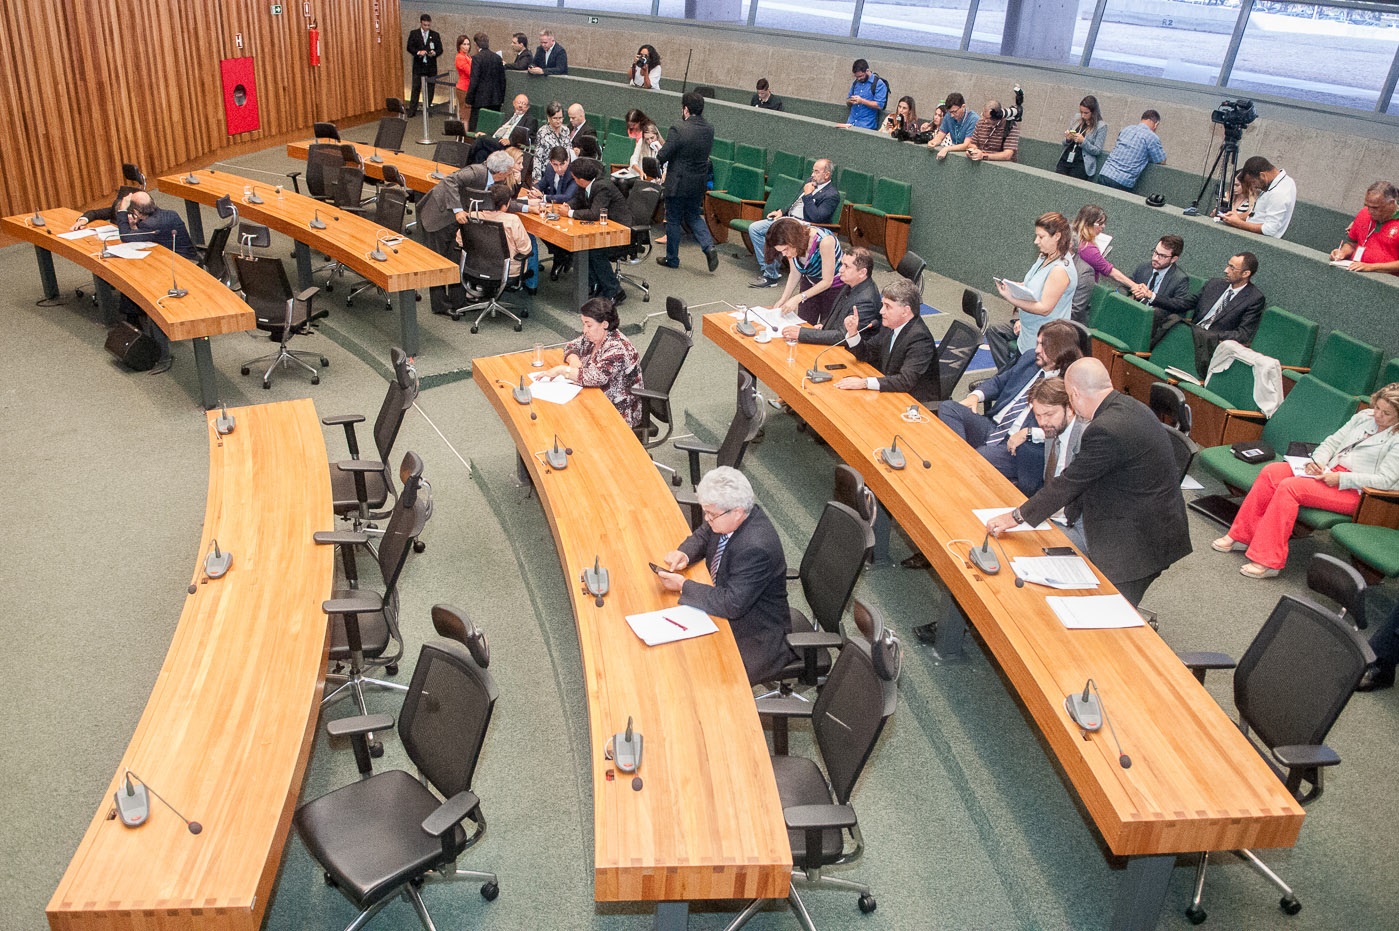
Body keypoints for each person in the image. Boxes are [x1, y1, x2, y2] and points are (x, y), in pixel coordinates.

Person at [986, 358, 1190, 606]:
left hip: (1138, 543)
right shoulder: (1131, 407)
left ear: (1073, 394)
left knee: (1108, 619)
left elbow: (1070, 482)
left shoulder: (1104, 429)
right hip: (1150, 520)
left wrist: (1014, 517)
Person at [1214, 383, 1399, 579]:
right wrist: (1317, 461)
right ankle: (1242, 535)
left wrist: (1341, 478)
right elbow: (1333, 442)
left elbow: (1385, 480)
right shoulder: (1364, 417)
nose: (1378, 415)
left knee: (1290, 488)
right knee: (1272, 472)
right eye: (1377, 407)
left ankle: (1269, 560)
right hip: (1329, 471)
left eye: (1386, 413)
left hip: (1361, 493)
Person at [656, 467, 795, 686]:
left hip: (756, 631)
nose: (706, 518)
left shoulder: (756, 547)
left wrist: (684, 586)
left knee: (700, 675)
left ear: (738, 512)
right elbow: (705, 533)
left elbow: (731, 604)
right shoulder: (728, 517)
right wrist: (684, 553)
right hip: (731, 601)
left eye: (711, 514)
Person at [937, 320, 1084, 495]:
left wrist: (1030, 433)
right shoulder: (1030, 359)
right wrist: (976, 396)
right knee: (948, 408)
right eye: (1037, 343)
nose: (1037, 350)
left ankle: (959, 464)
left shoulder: (1070, 383)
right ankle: (961, 462)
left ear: (1059, 350)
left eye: (1043, 346)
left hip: (1019, 447)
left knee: (980, 459)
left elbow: (1070, 428)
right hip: (994, 426)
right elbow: (1000, 381)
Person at [417, 151, 515, 317]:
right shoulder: (477, 172)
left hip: (455, 222)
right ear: (501, 172)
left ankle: (458, 301)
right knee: (439, 262)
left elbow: (501, 201)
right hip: (438, 217)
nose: (510, 174)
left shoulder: (492, 179)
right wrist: (458, 210)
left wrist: (528, 207)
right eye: (510, 171)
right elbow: (450, 181)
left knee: (456, 258)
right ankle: (440, 305)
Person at [115, 191, 198, 373]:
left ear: (136, 212)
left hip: (184, 270)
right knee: (131, 274)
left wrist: (122, 212)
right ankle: (134, 321)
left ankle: (161, 353)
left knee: (146, 291)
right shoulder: (166, 214)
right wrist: (136, 228)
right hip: (167, 262)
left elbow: (125, 239)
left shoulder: (154, 224)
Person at [1154, 252, 1265, 376]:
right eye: (1228, 265)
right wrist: (1153, 297)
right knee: (1168, 320)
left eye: (1232, 268)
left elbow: (1243, 334)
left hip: (1210, 345)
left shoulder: (1254, 299)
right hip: (1191, 333)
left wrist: (1210, 335)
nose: (1226, 270)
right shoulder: (1214, 284)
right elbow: (1185, 304)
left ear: (1246, 274)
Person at [991, 212, 1078, 370]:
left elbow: (1044, 308)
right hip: (1028, 334)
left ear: (1057, 236)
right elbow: (1032, 283)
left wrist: (1011, 298)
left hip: (1044, 344)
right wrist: (1015, 286)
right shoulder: (1044, 257)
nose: (1036, 241)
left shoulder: (1060, 270)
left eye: (1041, 237)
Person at [542, 297, 645, 427]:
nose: (585, 330)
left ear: (605, 324)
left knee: (565, 419)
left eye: (589, 325)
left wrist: (563, 370)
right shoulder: (595, 335)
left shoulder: (617, 348)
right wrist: (573, 359)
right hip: (596, 397)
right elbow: (571, 345)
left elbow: (596, 377)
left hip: (619, 411)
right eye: (584, 324)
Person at [836, 278, 941, 405]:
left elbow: (905, 381)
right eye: (882, 305)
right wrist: (853, 333)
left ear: (905, 311)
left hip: (912, 403)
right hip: (891, 392)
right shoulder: (889, 326)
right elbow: (867, 352)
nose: (881, 311)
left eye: (888, 307)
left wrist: (864, 383)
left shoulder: (920, 338)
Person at [747, 158, 838, 288]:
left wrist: (808, 196)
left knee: (778, 233)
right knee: (755, 228)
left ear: (827, 174)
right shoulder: (809, 182)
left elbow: (817, 217)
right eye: (813, 171)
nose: (812, 175)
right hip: (789, 219)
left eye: (816, 172)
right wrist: (781, 212)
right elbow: (794, 202)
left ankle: (770, 276)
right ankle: (770, 268)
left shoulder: (832, 195)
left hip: (806, 226)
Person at [654, 91, 717, 272]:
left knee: (673, 219)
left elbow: (664, 154)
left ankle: (672, 259)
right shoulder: (709, 129)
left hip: (678, 182)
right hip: (698, 182)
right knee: (693, 216)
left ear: (686, 109)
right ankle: (708, 246)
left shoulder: (679, 128)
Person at [561, 158, 632, 305]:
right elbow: (578, 199)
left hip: (620, 233)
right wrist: (567, 206)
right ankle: (596, 284)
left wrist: (570, 213)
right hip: (602, 230)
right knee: (584, 247)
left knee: (594, 251)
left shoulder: (602, 186)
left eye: (574, 178)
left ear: (581, 179)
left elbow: (595, 214)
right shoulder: (586, 183)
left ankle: (615, 291)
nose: (573, 180)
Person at [781, 248, 880, 345]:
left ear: (862, 272)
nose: (840, 270)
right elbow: (837, 314)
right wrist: (824, 324)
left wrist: (801, 334)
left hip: (849, 352)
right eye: (842, 264)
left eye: (846, 266)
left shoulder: (866, 301)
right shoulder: (850, 283)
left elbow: (845, 336)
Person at [764, 217, 844, 327]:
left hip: (834, 287)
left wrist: (798, 297)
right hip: (810, 279)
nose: (784, 254)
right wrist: (784, 298)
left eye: (785, 249)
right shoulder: (792, 246)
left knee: (827, 328)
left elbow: (827, 281)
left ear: (793, 240)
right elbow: (795, 272)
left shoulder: (825, 241)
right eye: (781, 251)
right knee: (803, 325)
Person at [1069, 205, 1138, 321]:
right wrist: (1134, 285)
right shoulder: (1087, 248)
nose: (1103, 227)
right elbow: (1110, 271)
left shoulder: (1070, 235)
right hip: (1081, 297)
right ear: (1088, 223)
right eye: (1099, 224)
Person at [525, 146, 580, 281]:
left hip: (570, 211)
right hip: (553, 210)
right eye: (555, 165)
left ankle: (562, 256)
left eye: (562, 164)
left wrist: (543, 197)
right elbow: (541, 184)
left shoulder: (574, 172)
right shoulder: (550, 169)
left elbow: (567, 196)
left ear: (568, 161)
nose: (559, 168)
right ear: (550, 162)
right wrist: (534, 191)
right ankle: (562, 255)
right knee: (537, 227)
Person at [1331, 180, 1399, 275]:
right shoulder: (1364, 213)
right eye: (1367, 206)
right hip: (1354, 272)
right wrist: (1342, 253)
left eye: (1375, 207)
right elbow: (1351, 244)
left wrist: (1371, 267)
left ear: (1391, 203)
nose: (1370, 211)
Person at [1220, 155, 1296, 239]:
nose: (1254, 186)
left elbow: (1269, 230)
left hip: (1258, 240)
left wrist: (1238, 223)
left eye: (1253, 182)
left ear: (1263, 175)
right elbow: (1259, 214)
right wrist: (1238, 217)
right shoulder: (1285, 181)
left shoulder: (1279, 193)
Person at [1122, 234, 1194, 320]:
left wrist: (1152, 296)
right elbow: (1126, 286)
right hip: (1133, 312)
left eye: (1162, 256)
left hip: (1156, 321)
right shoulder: (1144, 267)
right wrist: (1132, 291)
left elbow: (1179, 304)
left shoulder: (1180, 279)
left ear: (1173, 259)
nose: (1155, 258)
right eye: (1155, 252)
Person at [1097, 110, 1166, 191]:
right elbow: (1161, 160)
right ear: (1156, 124)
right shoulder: (1152, 137)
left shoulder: (1127, 129)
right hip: (1122, 181)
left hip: (1105, 173)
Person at [476, 185, 533, 279]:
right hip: (507, 270)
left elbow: (460, 241)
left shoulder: (473, 216)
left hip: (477, 266)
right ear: (505, 205)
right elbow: (525, 249)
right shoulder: (512, 220)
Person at [938, 97, 1019, 162]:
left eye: (988, 118)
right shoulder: (980, 123)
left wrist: (984, 156)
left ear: (997, 117)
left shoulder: (1010, 126)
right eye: (983, 115)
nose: (985, 120)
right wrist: (972, 150)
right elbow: (972, 144)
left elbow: (1008, 155)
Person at [1056, 95, 1107, 180]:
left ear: (1093, 112)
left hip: (1081, 163)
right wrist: (1068, 139)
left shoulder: (1101, 126)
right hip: (1066, 158)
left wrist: (1083, 142)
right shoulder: (1077, 117)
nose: (1083, 115)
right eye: (1081, 112)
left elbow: (1097, 150)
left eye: (1086, 113)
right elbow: (1064, 142)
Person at [464, 33, 506, 133]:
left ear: (476, 45)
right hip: (496, 100)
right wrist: (501, 99)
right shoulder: (497, 58)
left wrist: (469, 99)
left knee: (476, 128)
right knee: (492, 128)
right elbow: (502, 80)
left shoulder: (477, 58)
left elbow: (474, 81)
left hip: (480, 100)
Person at [406, 14, 442, 118]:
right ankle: (412, 110)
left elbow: (440, 49)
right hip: (418, 65)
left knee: (430, 88)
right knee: (416, 88)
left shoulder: (435, 35)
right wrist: (418, 52)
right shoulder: (414, 33)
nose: (426, 27)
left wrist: (434, 53)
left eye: (428, 25)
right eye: (425, 25)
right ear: (421, 23)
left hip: (430, 66)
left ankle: (428, 110)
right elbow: (409, 47)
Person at [840, 59, 887, 130]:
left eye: (861, 76)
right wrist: (850, 100)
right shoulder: (856, 83)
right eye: (856, 77)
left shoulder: (878, 84)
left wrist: (862, 101)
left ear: (867, 71)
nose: (858, 79)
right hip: (850, 123)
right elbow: (848, 99)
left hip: (866, 126)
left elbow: (879, 105)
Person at [532, 101, 572, 185]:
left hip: (562, 171)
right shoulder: (542, 132)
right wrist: (536, 178)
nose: (558, 121)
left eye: (560, 118)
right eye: (555, 118)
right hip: (547, 172)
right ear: (549, 118)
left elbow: (568, 151)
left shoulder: (566, 130)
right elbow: (537, 157)